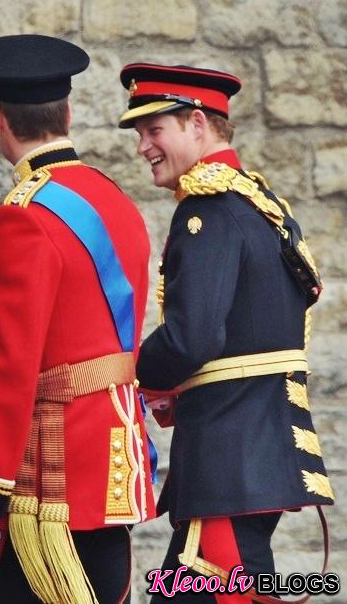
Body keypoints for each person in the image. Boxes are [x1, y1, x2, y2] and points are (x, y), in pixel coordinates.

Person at [118, 63, 334, 603]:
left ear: (197, 123)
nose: (143, 147)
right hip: (246, 451)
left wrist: (129, 373)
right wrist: (179, 384)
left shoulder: (209, 211)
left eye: (154, 131)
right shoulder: (258, 203)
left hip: (229, 456)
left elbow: (193, 338)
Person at [0, 35, 156, 604]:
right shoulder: (113, 197)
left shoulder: (22, 216)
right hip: (114, 456)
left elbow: (14, 365)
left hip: (51, 478)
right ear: (66, 113)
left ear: (1, 120)